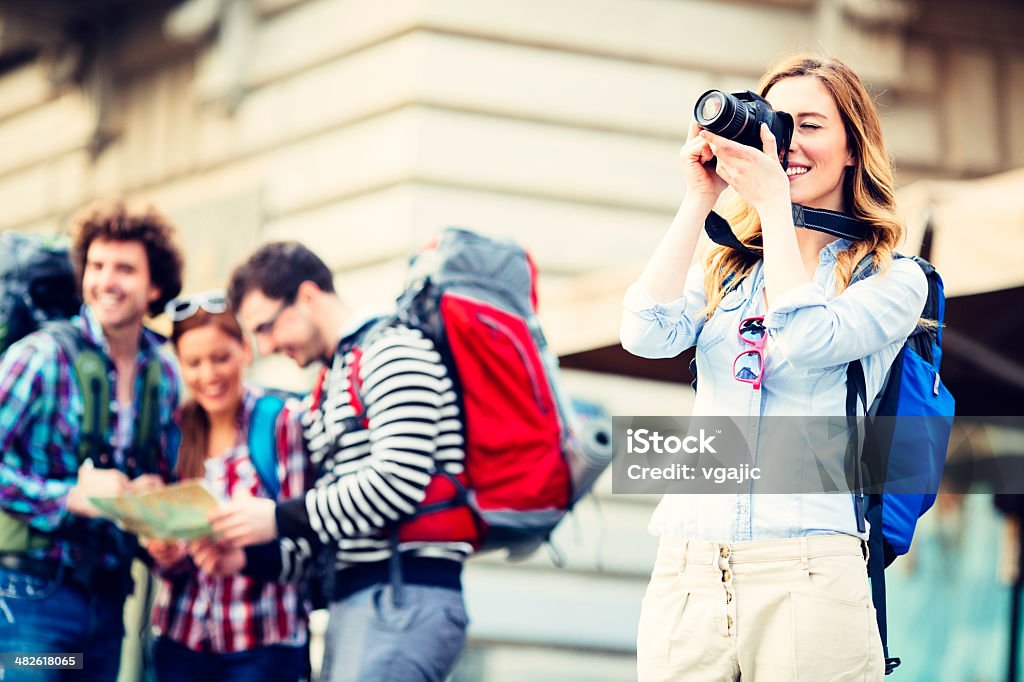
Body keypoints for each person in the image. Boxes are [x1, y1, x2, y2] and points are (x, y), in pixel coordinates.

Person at [620, 54, 928, 681]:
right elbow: (643, 333)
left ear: (853, 148)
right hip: (691, 566)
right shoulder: (729, 270)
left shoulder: (894, 278)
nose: (787, 141)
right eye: (776, 123)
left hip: (808, 568)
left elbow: (810, 338)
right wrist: (699, 197)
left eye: (810, 125)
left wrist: (775, 208)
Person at [205, 242, 469, 682]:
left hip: (402, 597)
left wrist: (275, 517)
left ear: (307, 297)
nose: (266, 346)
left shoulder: (392, 350)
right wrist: (247, 559)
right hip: (364, 601)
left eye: (267, 327)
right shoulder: (334, 377)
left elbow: (396, 483)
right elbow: (334, 527)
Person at [0, 199, 184, 680]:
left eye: (125, 268)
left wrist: (152, 507)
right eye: (97, 266)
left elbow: (163, 470)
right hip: (30, 597)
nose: (107, 281)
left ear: (155, 285)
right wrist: (72, 498)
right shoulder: (39, 357)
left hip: (106, 602)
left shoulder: (164, 373)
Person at [145, 292, 312, 682]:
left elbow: (308, 543)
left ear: (245, 351)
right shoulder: (173, 432)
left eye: (220, 358)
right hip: (179, 640)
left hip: (262, 646)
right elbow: (164, 556)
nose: (209, 375)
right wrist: (165, 554)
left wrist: (245, 556)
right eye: (194, 363)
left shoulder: (281, 423)